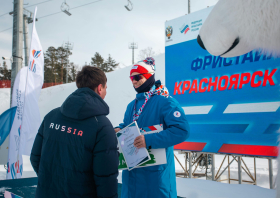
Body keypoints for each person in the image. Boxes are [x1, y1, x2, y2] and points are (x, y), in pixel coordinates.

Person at [30, 66, 119, 198]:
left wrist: (54, 183)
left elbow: (35, 158)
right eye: (106, 88)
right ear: (100, 88)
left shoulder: (51, 116)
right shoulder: (102, 126)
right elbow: (106, 180)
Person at [115, 57, 189, 198]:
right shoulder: (132, 105)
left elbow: (182, 130)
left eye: (137, 77)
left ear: (149, 77)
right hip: (132, 179)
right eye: (131, 78)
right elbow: (128, 126)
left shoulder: (166, 102)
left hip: (155, 180)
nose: (134, 81)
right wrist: (119, 130)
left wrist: (148, 140)